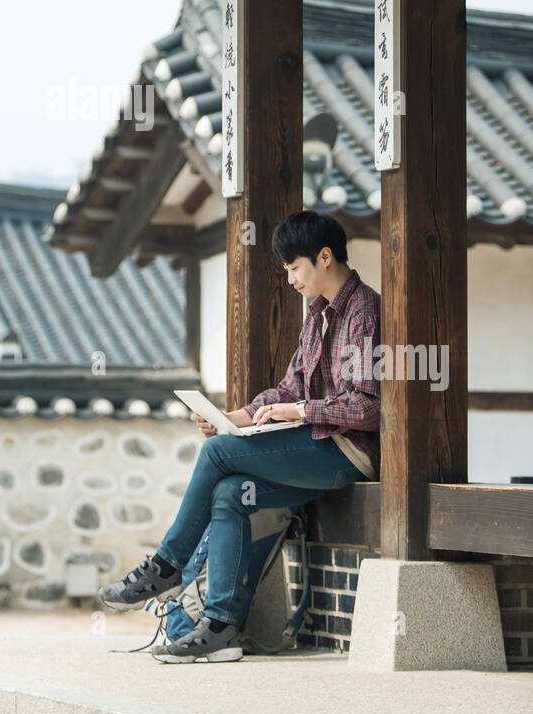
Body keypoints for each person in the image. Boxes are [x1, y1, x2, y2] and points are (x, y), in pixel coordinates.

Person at [97, 211, 381, 663]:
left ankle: (167, 566)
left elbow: (367, 405)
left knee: (217, 453)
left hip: (346, 452)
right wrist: (235, 416)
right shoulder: (317, 315)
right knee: (231, 492)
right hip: (314, 447)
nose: (289, 279)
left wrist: (301, 410)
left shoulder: (364, 310)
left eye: (293, 268)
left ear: (324, 257)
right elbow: (289, 387)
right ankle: (221, 626)